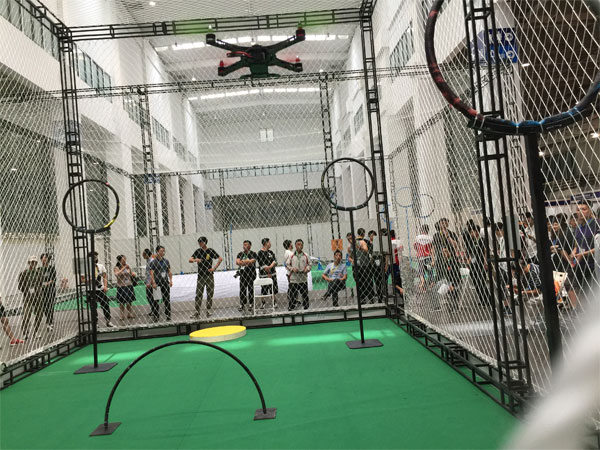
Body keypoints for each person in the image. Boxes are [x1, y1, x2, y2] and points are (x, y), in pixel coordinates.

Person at [571, 201, 599, 299]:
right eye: (578, 210)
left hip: (594, 267)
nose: (580, 212)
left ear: (590, 211)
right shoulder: (578, 227)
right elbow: (578, 245)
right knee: (583, 293)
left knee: (594, 295)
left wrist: (584, 254)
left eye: (584, 209)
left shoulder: (596, 224)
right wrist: (574, 252)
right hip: (581, 266)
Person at [189, 237, 222, 318]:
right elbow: (190, 259)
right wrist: (196, 260)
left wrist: (214, 268)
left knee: (210, 293)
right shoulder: (198, 251)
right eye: (199, 242)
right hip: (200, 276)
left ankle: (208, 310)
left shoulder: (210, 251)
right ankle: (197, 311)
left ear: (205, 242)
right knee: (198, 294)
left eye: (201, 242)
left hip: (209, 275)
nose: (200, 243)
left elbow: (220, 258)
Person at [18, 256, 43, 339]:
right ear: (29, 262)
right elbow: (20, 286)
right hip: (27, 297)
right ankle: (25, 332)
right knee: (26, 315)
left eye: (35, 262)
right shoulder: (23, 273)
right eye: (32, 262)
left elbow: (40, 284)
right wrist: (27, 290)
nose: (33, 263)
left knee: (39, 315)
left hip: (38, 297)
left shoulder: (39, 273)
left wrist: (37, 290)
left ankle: (36, 331)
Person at [433, 246, 461, 313]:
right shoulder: (446, 261)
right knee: (434, 288)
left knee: (451, 291)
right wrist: (434, 281)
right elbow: (442, 275)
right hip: (447, 281)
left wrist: (453, 285)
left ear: (450, 252)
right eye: (443, 252)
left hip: (454, 282)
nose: (444, 253)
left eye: (445, 251)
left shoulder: (454, 261)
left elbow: (458, 275)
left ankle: (455, 308)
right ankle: (438, 307)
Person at [286, 239, 311, 310]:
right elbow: (287, 265)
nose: (299, 246)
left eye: (301, 244)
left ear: (303, 246)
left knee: (305, 295)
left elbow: (310, 265)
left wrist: (307, 269)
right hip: (294, 279)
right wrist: (292, 269)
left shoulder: (306, 255)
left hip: (303, 279)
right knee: (292, 295)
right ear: (295, 246)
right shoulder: (291, 255)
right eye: (298, 244)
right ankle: (291, 308)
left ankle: (306, 308)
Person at [149, 245, 173, 321]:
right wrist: (153, 282)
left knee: (167, 299)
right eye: (161, 251)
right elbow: (151, 273)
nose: (163, 252)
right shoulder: (153, 262)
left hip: (165, 282)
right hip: (157, 283)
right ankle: (156, 315)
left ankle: (168, 315)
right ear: (157, 252)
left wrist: (171, 280)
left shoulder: (166, 261)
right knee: (156, 300)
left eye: (163, 251)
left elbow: (169, 271)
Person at [236, 240, 257, 313]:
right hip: (243, 274)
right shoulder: (240, 254)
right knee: (242, 289)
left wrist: (243, 262)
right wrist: (246, 262)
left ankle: (251, 303)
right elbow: (237, 262)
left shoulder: (253, 253)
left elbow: (252, 261)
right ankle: (242, 304)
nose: (244, 246)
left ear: (250, 246)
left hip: (251, 274)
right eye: (244, 244)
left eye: (246, 245)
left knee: (250, 288)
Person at [114, 255, 136, 321]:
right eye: (123, 260)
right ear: (119, 261)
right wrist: (123, 268)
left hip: (129, 285)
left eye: (125, 259)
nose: (124, 261)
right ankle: (122, 315)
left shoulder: (127, 266)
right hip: (121, 286)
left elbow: (131, 274)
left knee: (129, 301)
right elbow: (116, 274)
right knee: (122, 302)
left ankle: (129, 314)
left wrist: (133, 273)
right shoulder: (116, 267)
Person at [257, 238, 278, 307]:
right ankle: (263, 302)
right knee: (264, 289)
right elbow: (262, 264)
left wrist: (270, 266)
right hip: (264, 275)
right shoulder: (260, 253)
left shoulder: (271, 252)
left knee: (273, 288)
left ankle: (274, 302)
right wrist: (268, 271)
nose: (270, 244)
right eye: (269, 242)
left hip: (273, 274)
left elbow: (275, 261)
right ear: (266, 243)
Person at [39, 253, 56, 331]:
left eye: (45, 258)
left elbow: (53, 279)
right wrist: (41, 284)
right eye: (42, 258)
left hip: (51, 290)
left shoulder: (51, 268)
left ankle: (50, 322)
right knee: (45, 307)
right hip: (42, 291)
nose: (44, 259)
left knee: (50, 306)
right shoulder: (39, 269)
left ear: (48, 259)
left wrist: (47, 283)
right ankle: (49, 319)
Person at [414, 225, 433, 292]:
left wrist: (419, 251)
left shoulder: (418, 237)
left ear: (421, 230)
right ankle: (430, 284)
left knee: (421, 271)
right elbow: (431, 248)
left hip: (421, 256)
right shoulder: (430, 238)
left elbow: (415, 246)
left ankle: (423, 282)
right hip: (428, 256)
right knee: (429, 271)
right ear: (428, 230)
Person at [142, 249, 159, 321]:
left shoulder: (152, 261)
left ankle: (156, 314)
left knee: (154, 298)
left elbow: (153, 273)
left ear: (146, 254)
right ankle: (153, 310)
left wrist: (150, 282)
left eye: (143, 254)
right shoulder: (148, 261)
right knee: (149, 297)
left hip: (152, 282)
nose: (142, 255)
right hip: (149, 282)